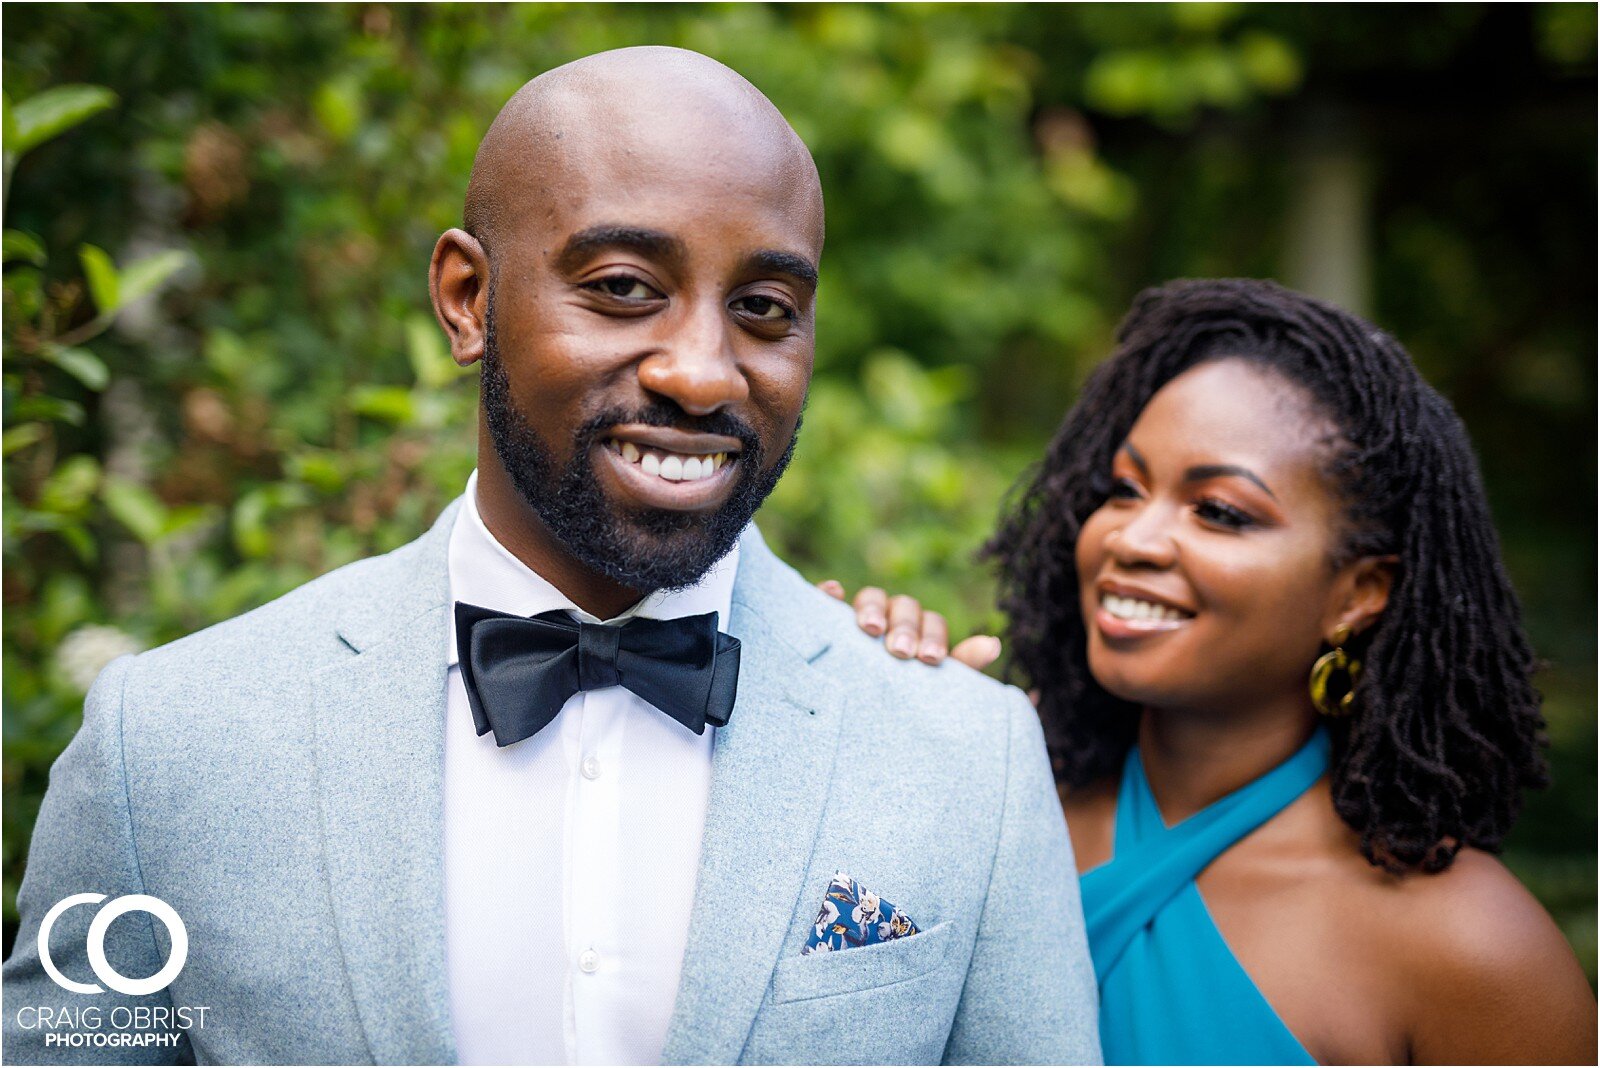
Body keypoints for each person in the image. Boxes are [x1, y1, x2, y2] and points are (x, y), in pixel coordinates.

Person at [1, 48, 1101, 1066]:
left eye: (765, 309)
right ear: (469, 299)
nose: (704, 373)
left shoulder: (966, 758)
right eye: (624, 287)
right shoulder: (170, 745)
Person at [827, 278, 1596, 1065]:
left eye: (1219, 511)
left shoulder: (1466, 947)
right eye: (1125, 489)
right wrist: (841, 741)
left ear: (1359, 594)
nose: (1134, 537)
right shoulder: (993, 800)